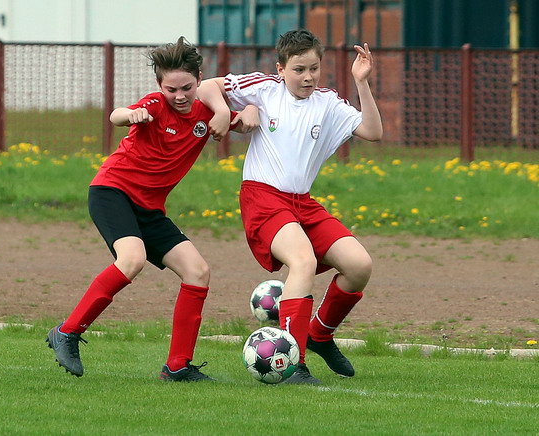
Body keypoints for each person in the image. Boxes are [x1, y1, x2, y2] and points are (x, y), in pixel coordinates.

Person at [46, 36, 258, 381]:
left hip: (149, 208)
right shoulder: (155, 105)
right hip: (112, 192)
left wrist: (248, 112)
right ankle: (66, 332)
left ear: (199, 79)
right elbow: (116, 115)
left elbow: (247, 115)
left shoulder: (207, 113)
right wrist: (132, 114)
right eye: (171, 89)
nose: (179, 96)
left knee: (197, 271)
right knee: (132, 259)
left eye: (186, 88)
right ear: (160, 86)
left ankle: (177, 366)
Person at [198, 29, 382, 384]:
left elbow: (373, 132)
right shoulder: (265, 89)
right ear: (280, 69)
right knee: (303, 262)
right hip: (263, 198)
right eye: (299, 69)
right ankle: (294, 365)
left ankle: (319, 335)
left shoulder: (327, 103)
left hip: (303, 203)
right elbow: (207, 87)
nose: (308, 76)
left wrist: (362, 82)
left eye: (314, 68)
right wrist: (229, 110)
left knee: (359, 266)